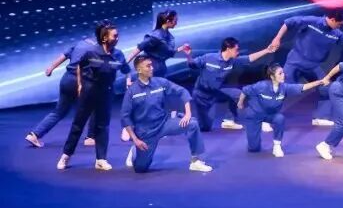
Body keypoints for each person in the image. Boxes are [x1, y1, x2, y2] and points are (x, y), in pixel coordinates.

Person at [268, 7, 343, 125]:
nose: (339, 26)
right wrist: (277, 38)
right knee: (281, 89)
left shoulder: (336, 33)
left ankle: (320, 117)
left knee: (326, 88)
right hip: (295, 61)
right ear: (332, 19)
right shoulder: (312, 21)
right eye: (339, 24)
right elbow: (288, 23)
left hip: (313, 66)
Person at [57, 21, 132, 171]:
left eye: (118, 36)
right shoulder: (91, 52)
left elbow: (126, 69)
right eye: (115, 36)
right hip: (89, 92)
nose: (117, 38)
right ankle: (66, 155)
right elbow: (79, 66)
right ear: (104, 38)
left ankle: (101, 159)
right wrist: (80, 84)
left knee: (102, 126)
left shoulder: (118, 54)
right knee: (78, 124)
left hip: (106, 93)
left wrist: (129, 79)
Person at [120, 55, 212, 173]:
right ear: (139, 70)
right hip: (146, 132)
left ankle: (196, 161)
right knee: (141, 168)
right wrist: (135, 139)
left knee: (192, 123)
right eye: (148, 66)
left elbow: (182, 91)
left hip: (164, 124)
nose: (152, 68)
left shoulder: (160, 82)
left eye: (151, 65)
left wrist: (188, 113)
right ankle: (134, 152)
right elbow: (125, 117)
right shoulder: (132, 91)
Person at [25, 32, 104, 148]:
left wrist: (50, 68)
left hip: (66, 80)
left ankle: (34, 134)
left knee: (59, 112)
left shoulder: (80, 43)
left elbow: (63, 56)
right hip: (81, 81)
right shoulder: (99, 49)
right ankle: (90, 138)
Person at [237, 64, 330, 157]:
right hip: (255, 115)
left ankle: (277, 146)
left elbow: (303, 87)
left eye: (283, 73)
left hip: (271, 114)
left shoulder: (284, 87)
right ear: (272, 76)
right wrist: (240, 103)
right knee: (254, 148)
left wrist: (320, 82)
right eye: (280, 73)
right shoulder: (261, 86)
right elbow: (245, 90)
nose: (283, 75)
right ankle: (257, 135)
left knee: (279, 118)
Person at [188, 38, 276, 132]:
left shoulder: (232, 61)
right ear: (228, 49)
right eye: (236, 49)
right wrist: (188, 55)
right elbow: (192, 64)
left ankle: (229, 121)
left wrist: (267, 50)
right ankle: (185, 120)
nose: (238, 52)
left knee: (239, 94)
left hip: (217, 92)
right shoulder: (209, 58)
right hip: (201, 95)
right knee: (205, 127)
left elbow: (249, 58)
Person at [133, 9, 191, 78]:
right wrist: (125, 63)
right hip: (152, 70)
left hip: (159, 70)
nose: (176, 23)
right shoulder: (156, 35)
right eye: (175, 21)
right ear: (168, 21)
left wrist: (182, 48)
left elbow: (169, 52)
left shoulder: (167, 35)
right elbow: (139, 48)